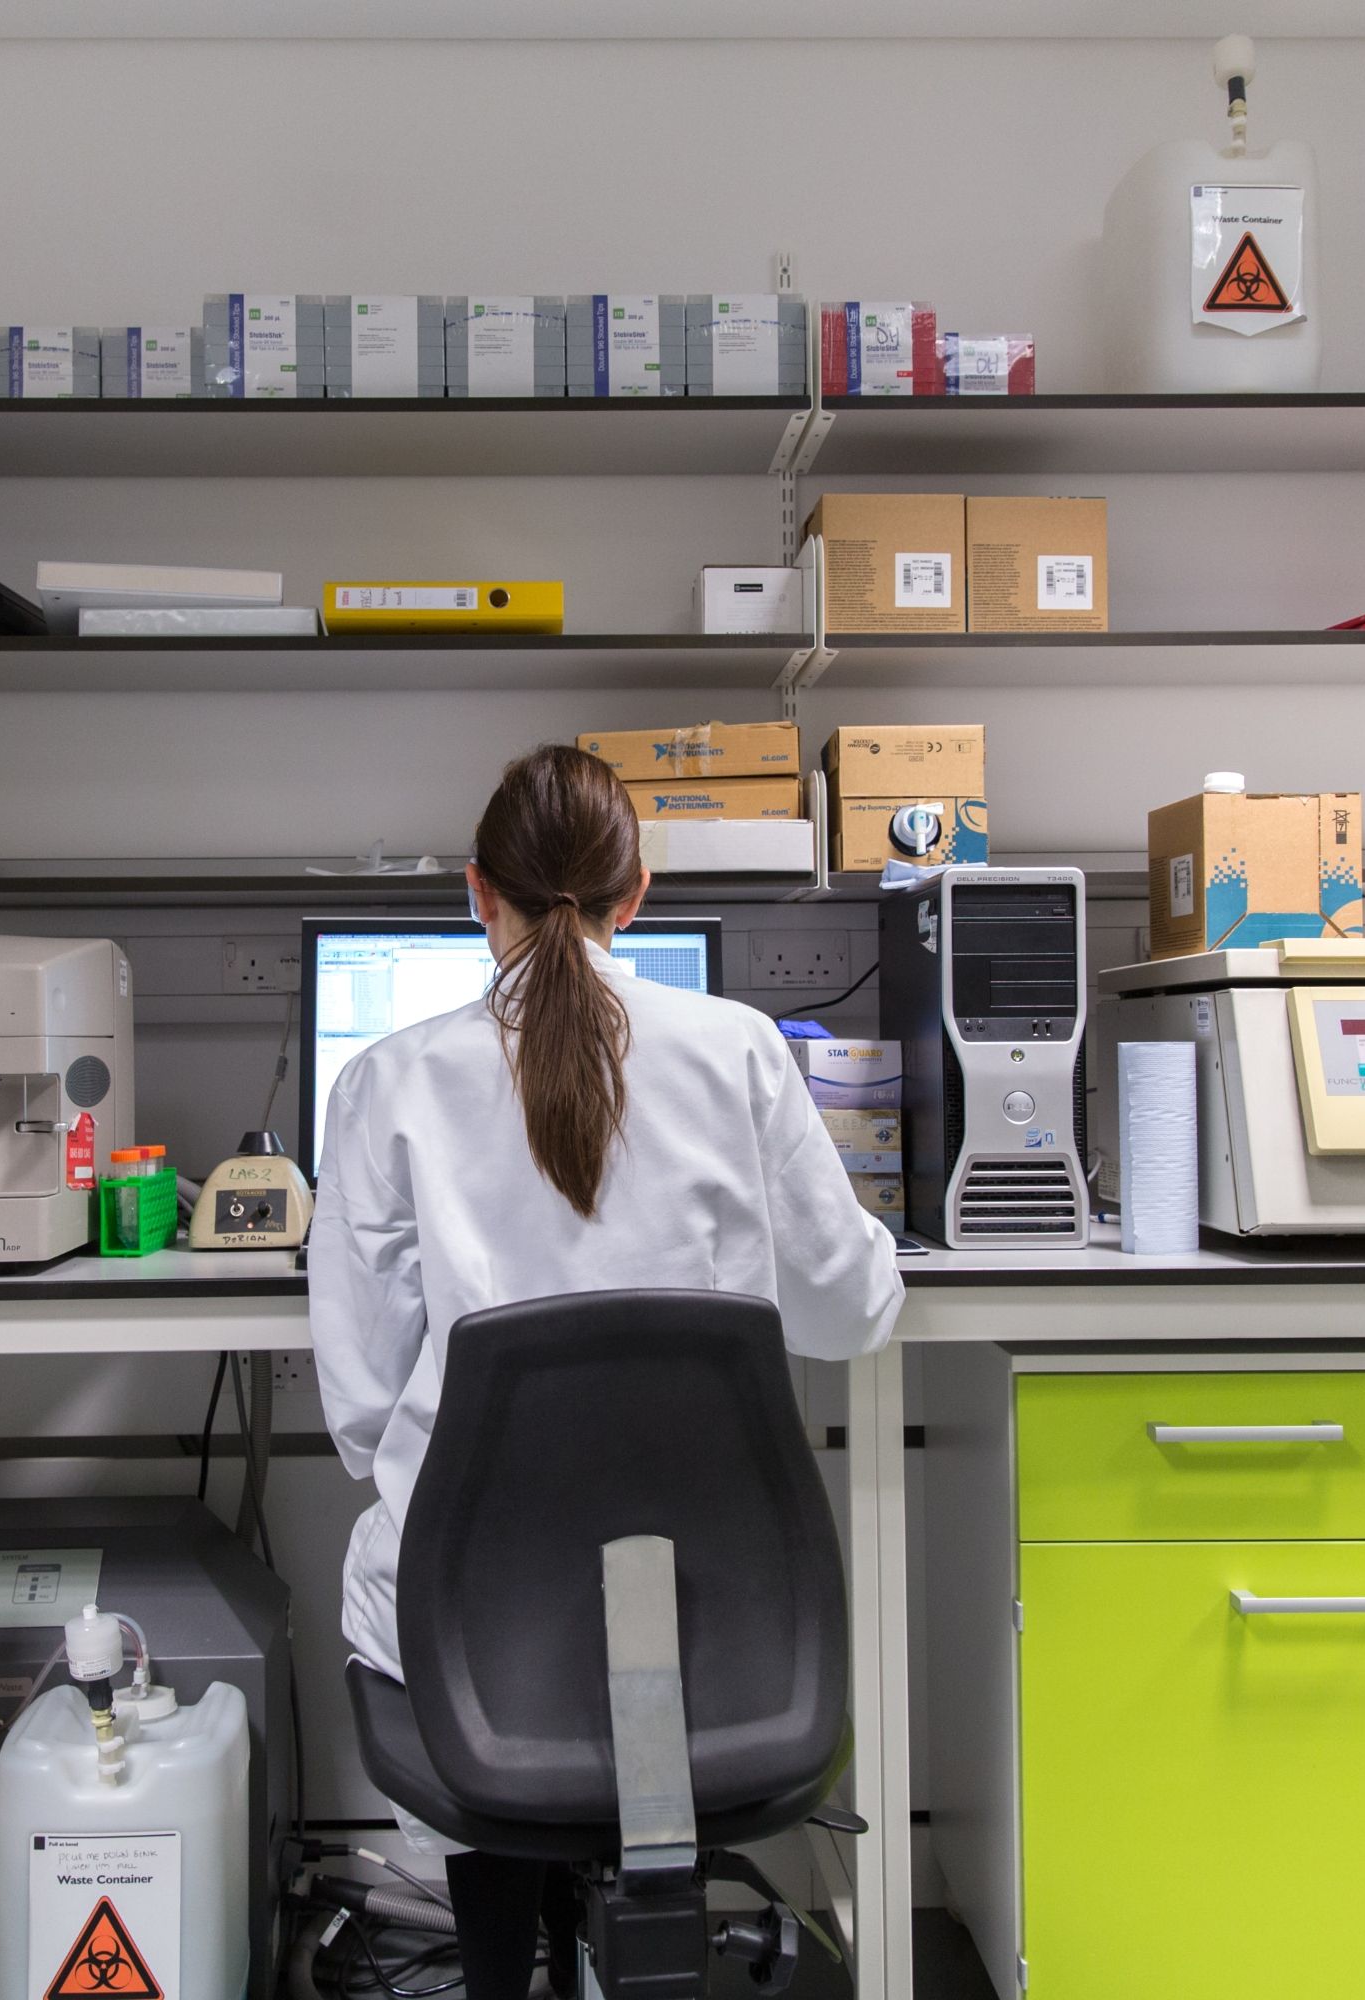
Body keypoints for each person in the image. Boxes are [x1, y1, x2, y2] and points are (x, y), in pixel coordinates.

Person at [306, 743, 905, 2000]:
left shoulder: (385, 1082)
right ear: (639, 897)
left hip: (480, 1643)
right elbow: (851, 1315)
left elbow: (363, 1413)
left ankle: (496, 1966)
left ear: (480, 891)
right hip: (721, 1637)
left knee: (432, 1562)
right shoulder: (741, 1052)